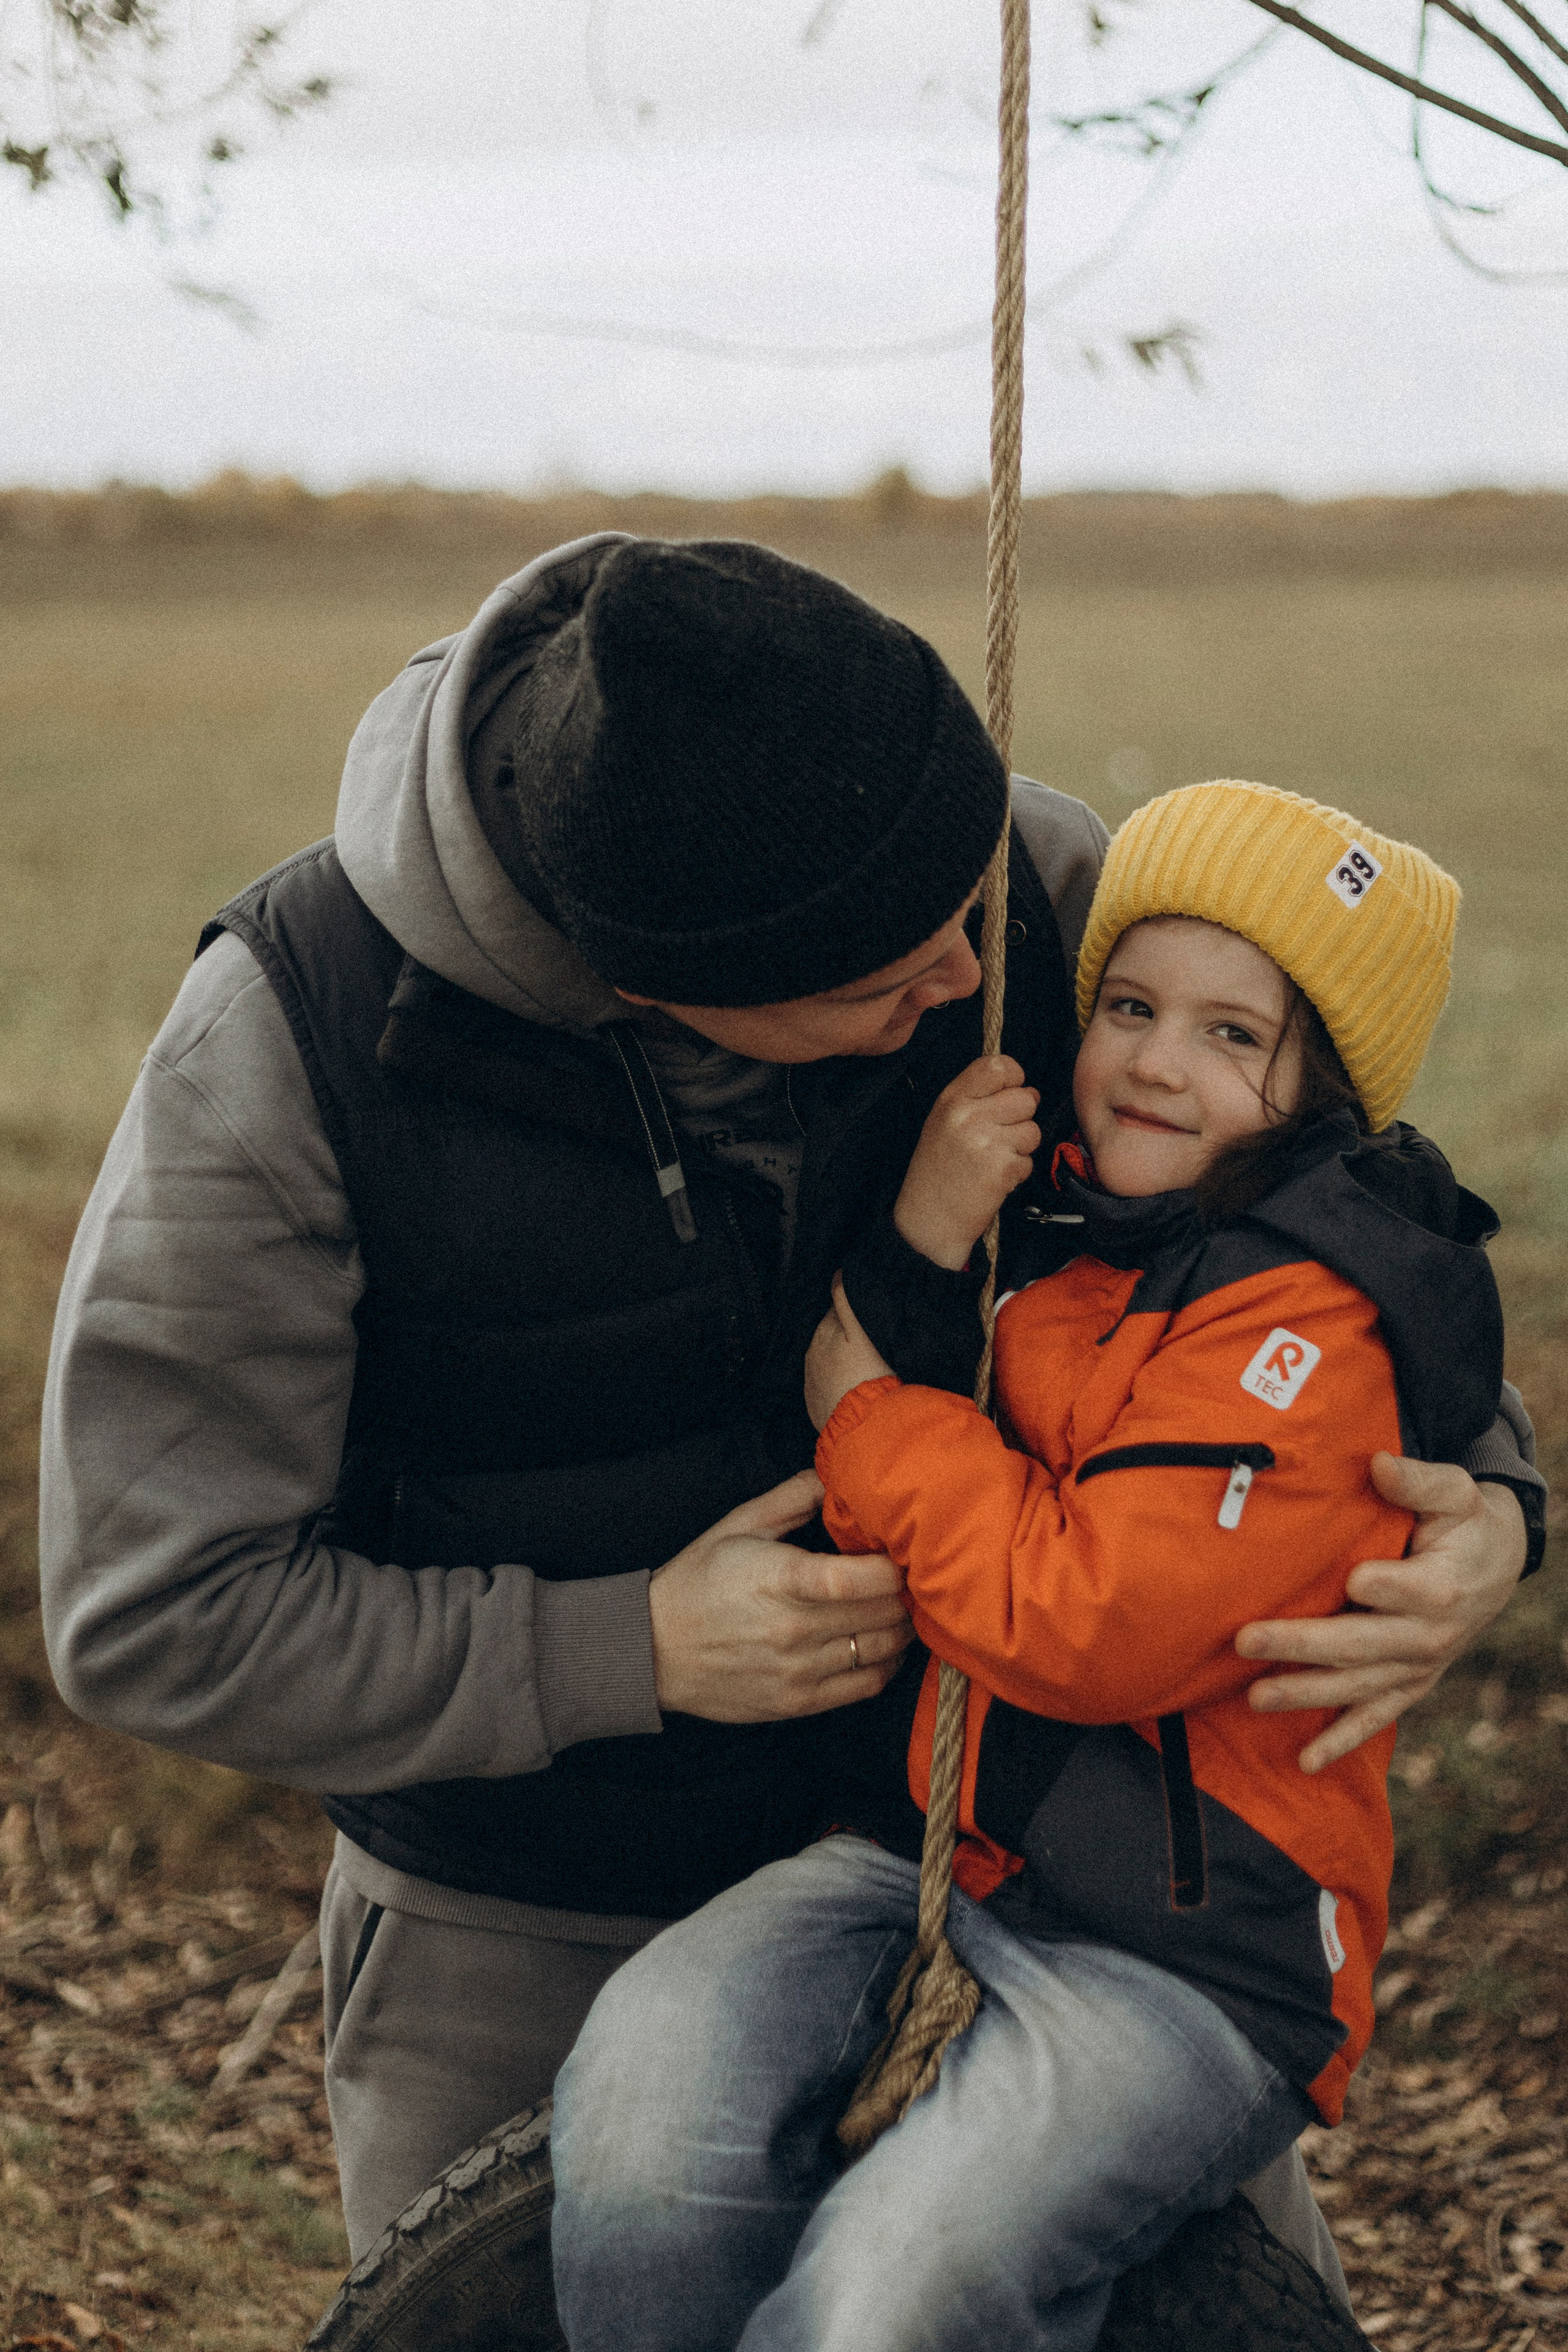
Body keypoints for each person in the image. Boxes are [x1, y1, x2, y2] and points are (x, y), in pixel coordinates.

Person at [38, 544, 1542, 2275]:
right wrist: (628, 1649)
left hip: (1046, 1858)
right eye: (889, 986)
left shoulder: (1006, 886)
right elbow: (154, 1615)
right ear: (659, 989)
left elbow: (1330, 1242)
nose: (966, 991)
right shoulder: (286, 1047)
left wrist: (1488, 1496)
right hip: (522, 1904)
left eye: (965, 941)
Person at [548, 781, 1525, 2352]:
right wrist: (927, 1243)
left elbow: (1084, 1620)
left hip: (1188, 1945)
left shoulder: (1308, 1328)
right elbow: (906, 1525)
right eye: (1129, 1004)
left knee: (895, 2286)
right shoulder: (1054, 1229)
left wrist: (865, 1406)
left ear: (1324, 1091)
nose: (1152, 1060)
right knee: (645, 2119)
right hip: (927, 1852)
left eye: (1230, 1035)